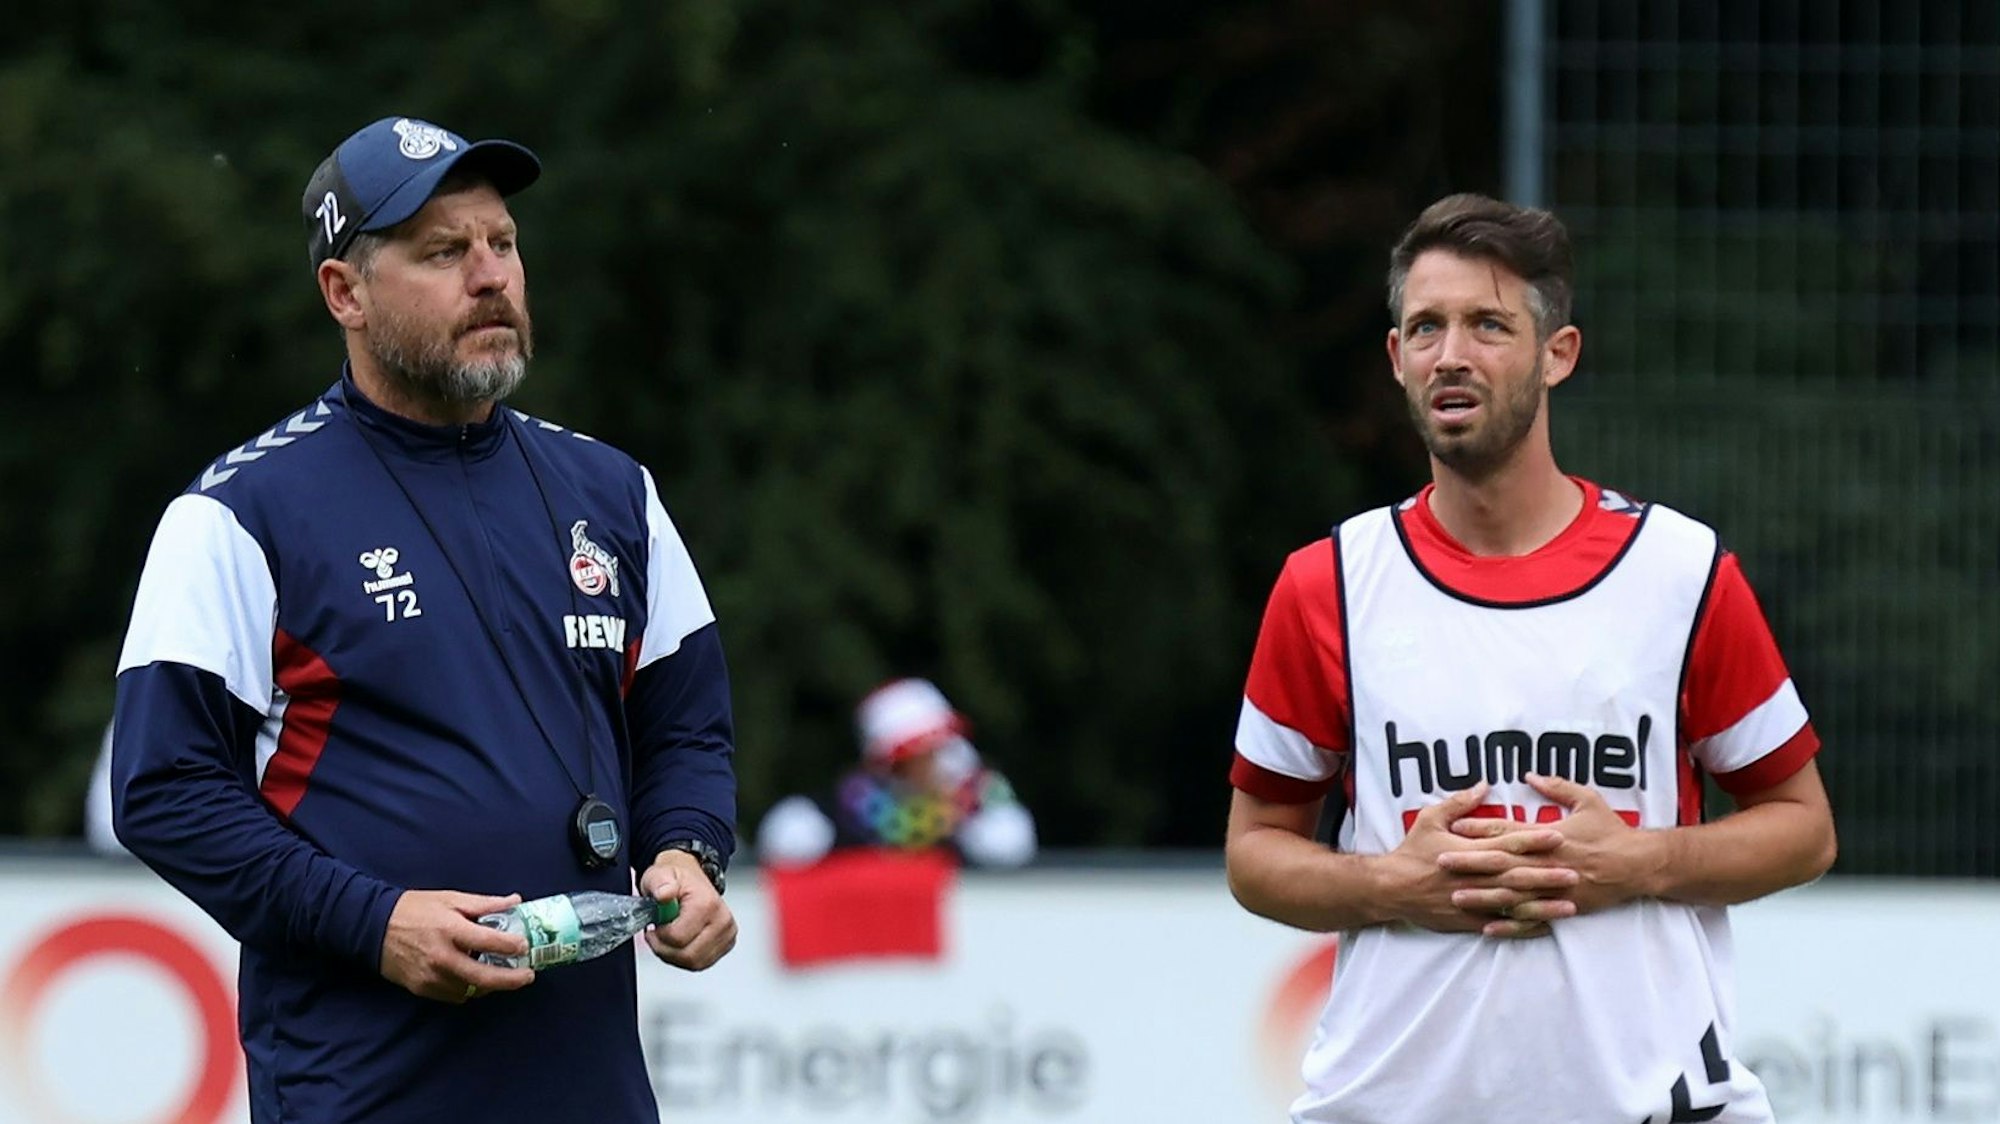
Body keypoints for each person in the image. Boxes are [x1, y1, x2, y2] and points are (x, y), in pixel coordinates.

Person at [110, 116, 739, 1122]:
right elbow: (164, 790)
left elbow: (685, 726)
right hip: (365, 1088)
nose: (489, 275)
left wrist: (686, 850)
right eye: (444, 251)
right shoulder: (239, 513)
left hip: (588, 1089)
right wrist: (375, 921)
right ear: (344, 292)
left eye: (502, 242)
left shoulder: (614, 492)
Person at [1223, 193, 1837, 1124]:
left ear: (1559, 354)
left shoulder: (1680, 572)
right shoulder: (1330, 585)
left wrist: (1638, 863)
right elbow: (1255, 854)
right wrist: (1398, 885)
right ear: (1396, 360)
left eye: (1488, 324)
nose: (1451, 354)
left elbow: (1803, 829)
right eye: (1425, 327)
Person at [756, 677, 1036, 868]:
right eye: (918, 753)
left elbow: (1011, 845)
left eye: (938, 746)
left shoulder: (977, 798)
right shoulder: (850, 809)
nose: (935, 762)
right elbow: (787, 840)